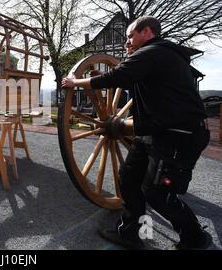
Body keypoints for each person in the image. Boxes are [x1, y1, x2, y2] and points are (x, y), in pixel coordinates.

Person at [62, 16, 211, 250]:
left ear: (147, 32)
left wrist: (75, 82)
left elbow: (115, 77)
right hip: (153, 132)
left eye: (131, 36)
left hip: (179, 135)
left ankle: (196, 239)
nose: (128, 41)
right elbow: (132, 77)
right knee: (129, 178)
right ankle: (130, 233)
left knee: (157, 193)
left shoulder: (154, 52)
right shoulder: (159, 56)